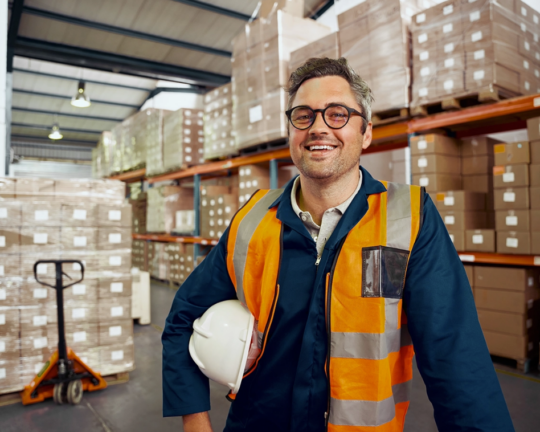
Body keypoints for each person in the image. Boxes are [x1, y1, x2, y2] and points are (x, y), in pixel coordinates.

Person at [162, 57, 514, 432]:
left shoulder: (408, 220)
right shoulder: (252, 220)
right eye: (303, 115)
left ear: (365, 133)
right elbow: (183, 316)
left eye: (337, 114)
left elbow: (455, 355)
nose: (318, 128)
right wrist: (195, 420)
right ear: (291, 132)